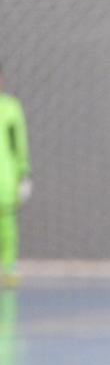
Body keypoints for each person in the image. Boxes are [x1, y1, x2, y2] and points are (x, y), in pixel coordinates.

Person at [0, 63, 31, 287]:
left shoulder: (10, 108)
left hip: (4, 178)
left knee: (7, 225)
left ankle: (9, 267)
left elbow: (19, 144)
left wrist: (23, 174)